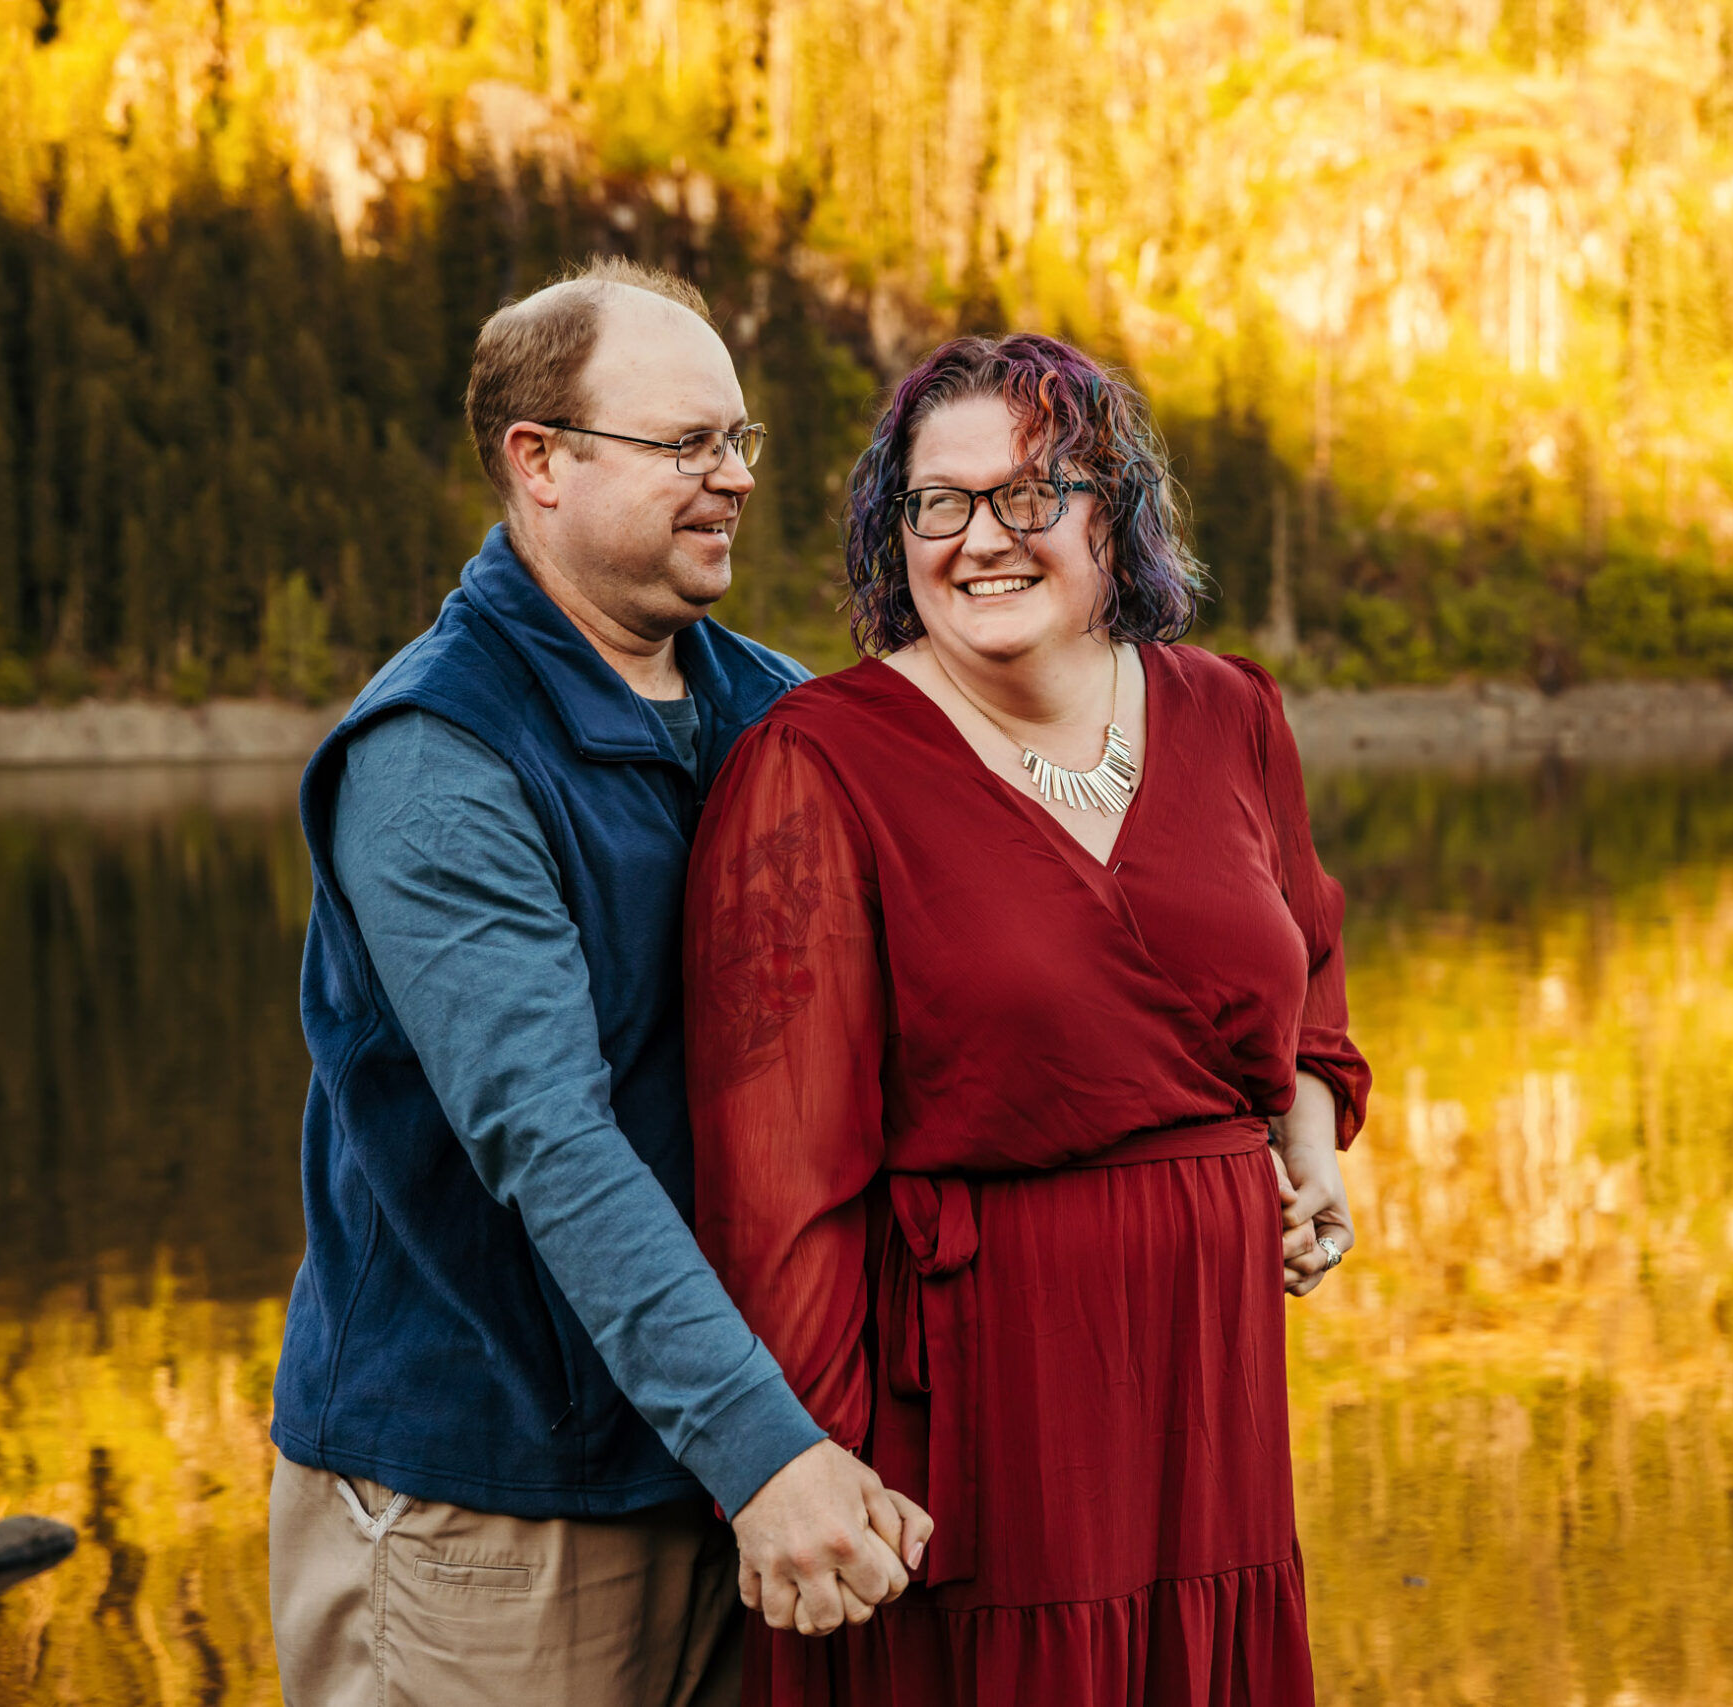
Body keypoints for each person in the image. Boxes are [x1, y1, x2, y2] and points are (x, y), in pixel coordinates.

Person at [269, 256, 930, 1707]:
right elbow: (553, 1143)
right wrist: (765, 1447)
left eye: (741, 441)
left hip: (719, 1467)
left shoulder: (774, 708)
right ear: (542, 463)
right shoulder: (437, 756)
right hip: (488, 1507)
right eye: (687, 443)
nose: (734, 478)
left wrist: (1229, 1129)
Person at [682, 332, 1368, 1706]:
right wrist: (798, 1462)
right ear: (899, 533)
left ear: (1115, 519)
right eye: (940, 503)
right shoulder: (817, 763)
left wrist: (1309, 1158)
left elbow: (1307, 990)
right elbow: (778, 1179)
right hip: (989, 1396)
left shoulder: (1230, 712)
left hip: (1208, 1375)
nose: (982, 538)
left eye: (1032, 493)